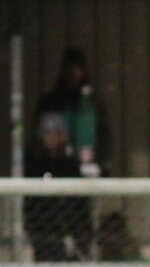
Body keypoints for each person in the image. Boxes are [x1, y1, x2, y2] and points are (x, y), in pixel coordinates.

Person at [23, 112, 93, 262]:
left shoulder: (70, 161)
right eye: (48, 133)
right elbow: (31, 201)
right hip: (43, 226)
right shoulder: (34, 161)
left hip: (71, 223)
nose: (52, 138)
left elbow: (79, 198)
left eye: (56, 133)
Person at [35, 47, 108, 177]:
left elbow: (103, 136)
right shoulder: (51, 103)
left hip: (86, 170)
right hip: (55, 169)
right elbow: (39, 139)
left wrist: (97, 159)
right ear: (63, 71)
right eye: (70, 69)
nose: (74, 74)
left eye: (78, 69)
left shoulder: (92, 104)